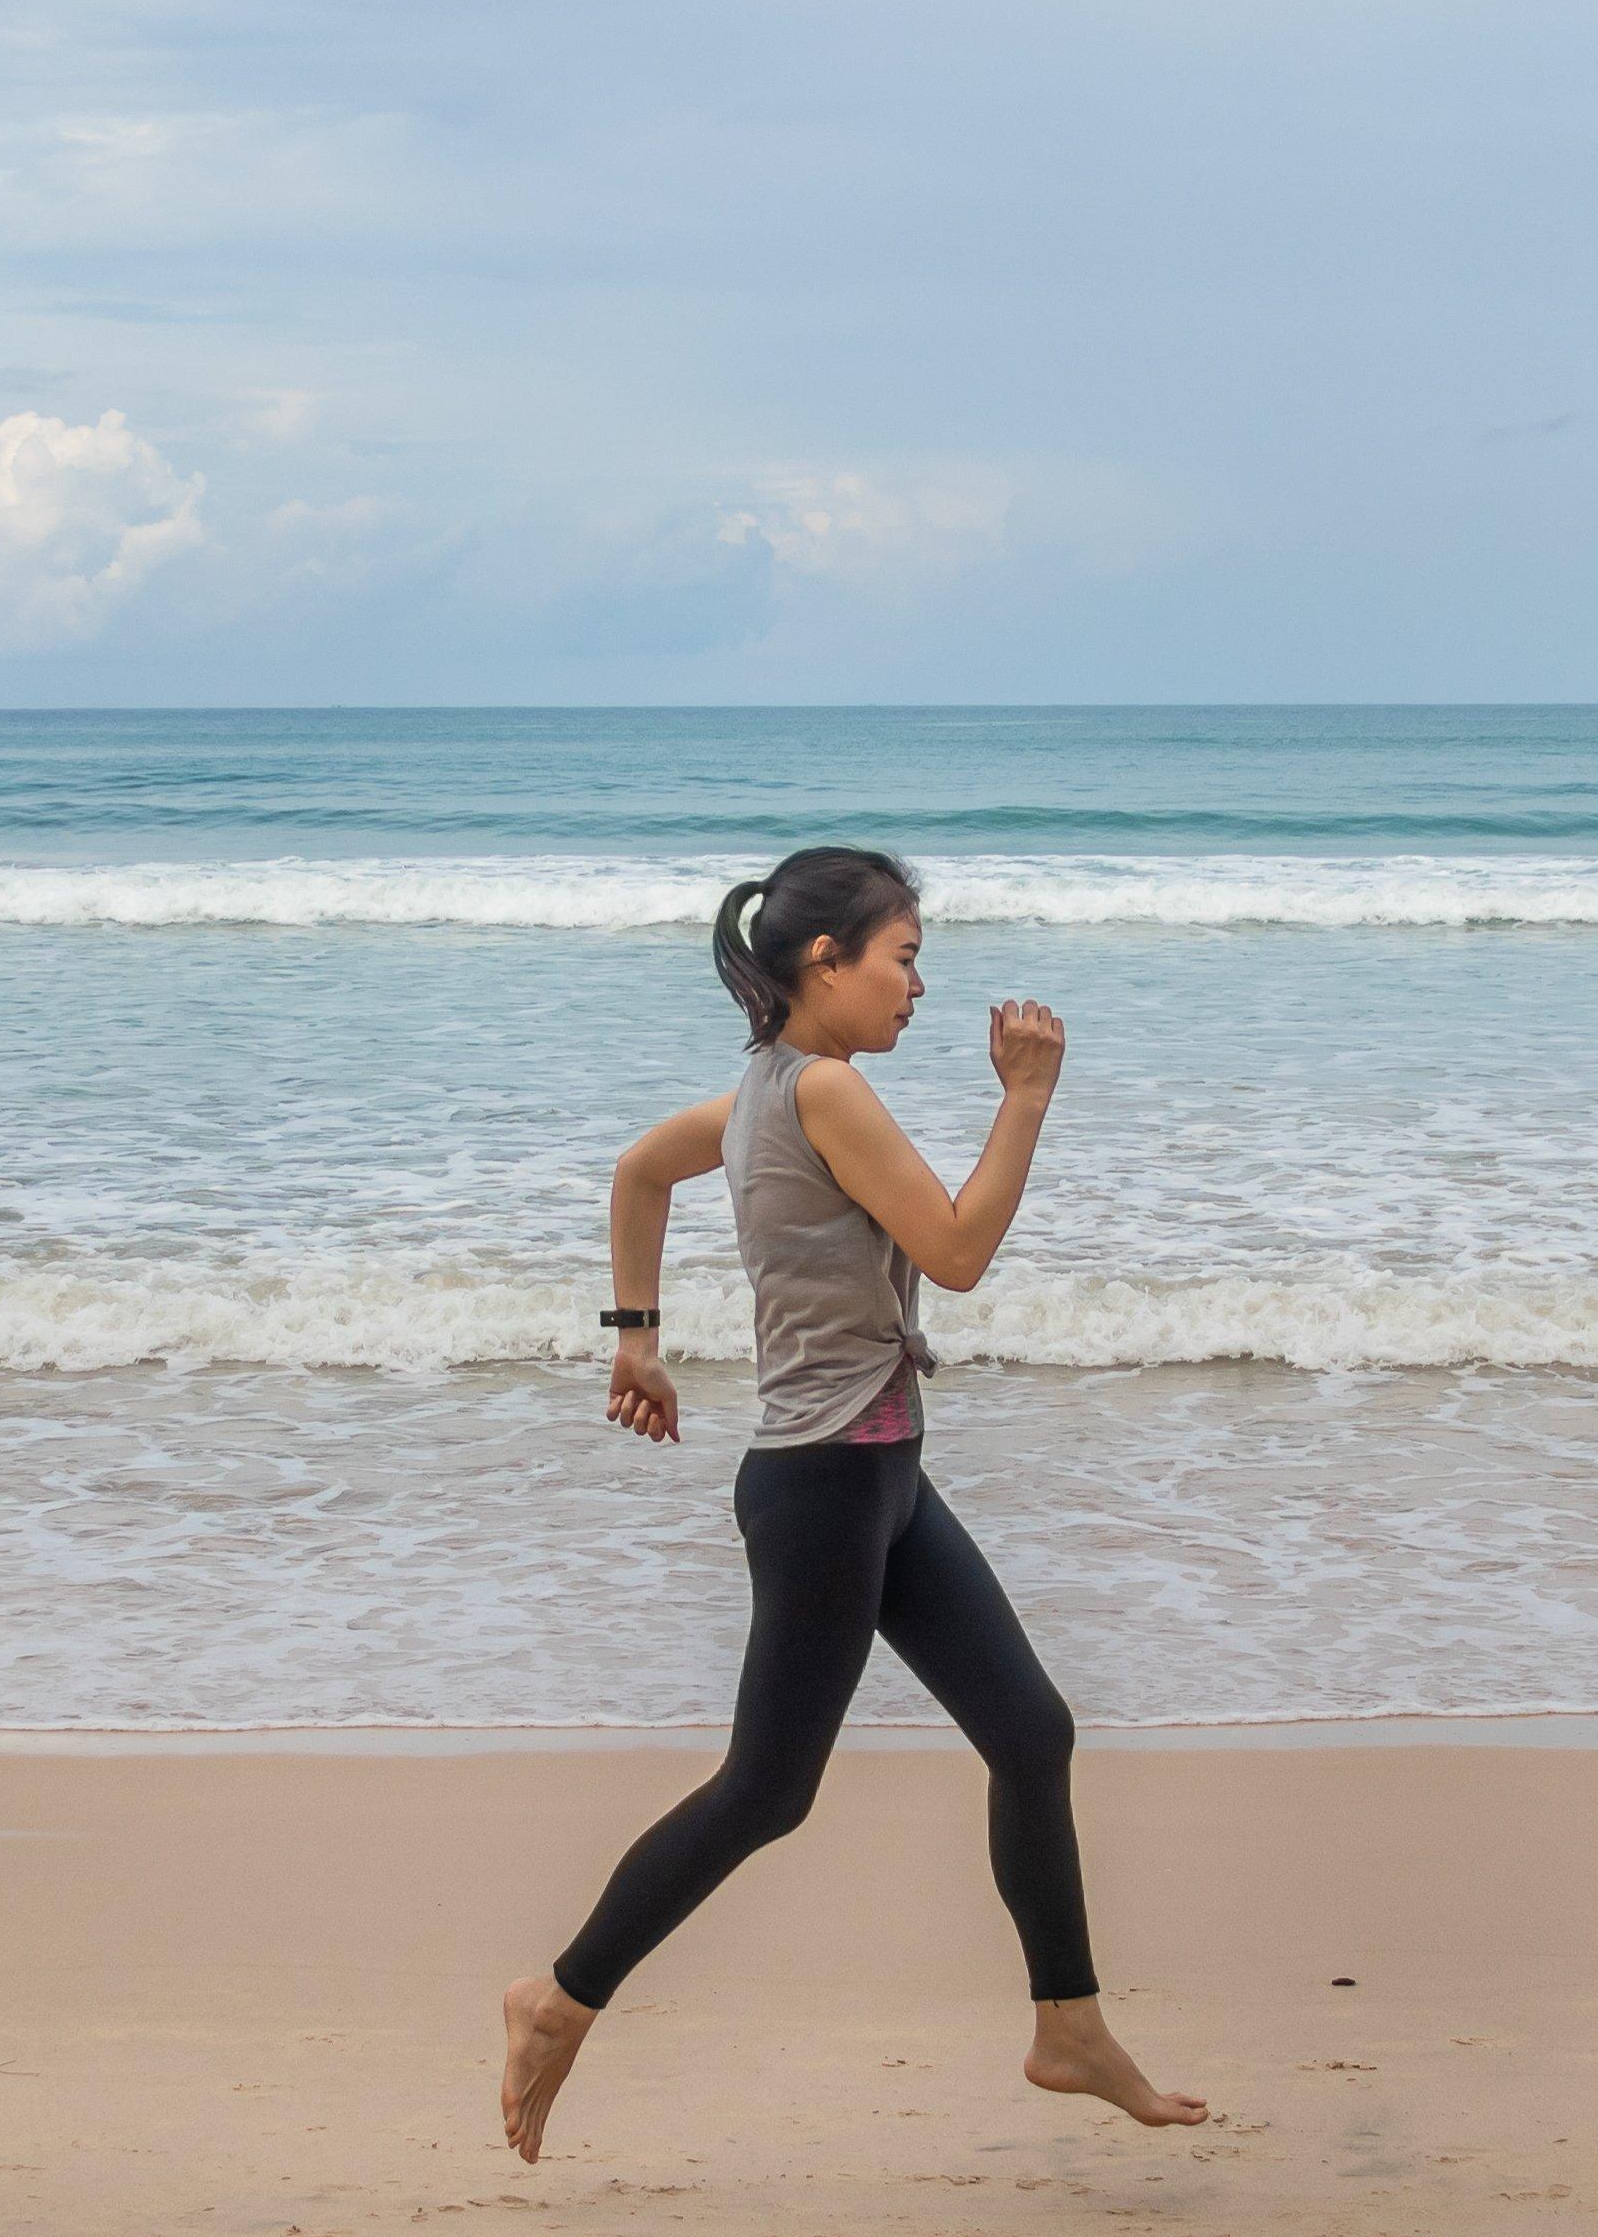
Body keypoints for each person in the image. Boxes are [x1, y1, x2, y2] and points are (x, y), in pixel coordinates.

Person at [496, 848, 1210, 2163]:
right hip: (826, 1487)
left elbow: (638, 1171)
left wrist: (635, 1338)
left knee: (1028, 1730)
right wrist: (1030, 1099)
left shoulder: (760, 1092)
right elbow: (955, 1250)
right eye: (903, 957)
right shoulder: (822, 1092)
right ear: (823, 961)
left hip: (876, 1475)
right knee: (767, 1791)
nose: (918, 987)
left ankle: (1067, 2023)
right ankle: (561, 1992)